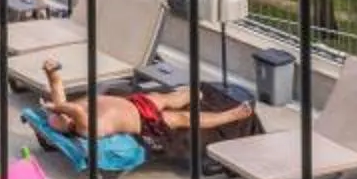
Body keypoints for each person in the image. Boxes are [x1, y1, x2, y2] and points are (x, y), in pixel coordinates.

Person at [39, 60, 254, 144]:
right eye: (60, 116)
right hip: (144, 120)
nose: (60, 113)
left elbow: (59, 92)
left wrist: (51, 73)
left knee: (166, 98)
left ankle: (196, 93)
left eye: (59, 113)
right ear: (69, 126)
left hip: (135, 103)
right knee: (182, 117)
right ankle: (232, 115)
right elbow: (71, 108)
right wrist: (57, 107)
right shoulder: (86, 127)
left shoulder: (68, 115)